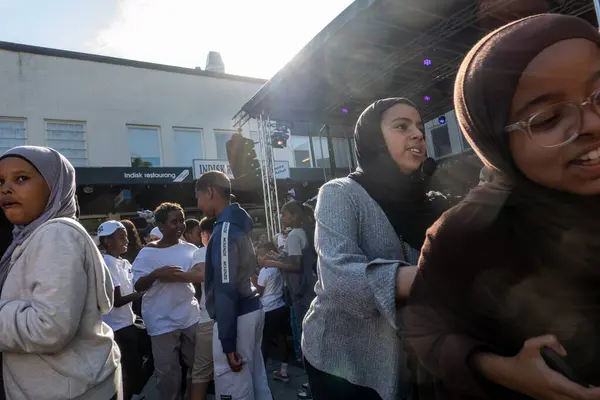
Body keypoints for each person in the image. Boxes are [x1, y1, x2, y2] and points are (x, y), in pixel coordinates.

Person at [403, 14, 600, 400]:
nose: (592, 123)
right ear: (495, 141)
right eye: (549, 118)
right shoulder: (466, 234)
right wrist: (501, 370)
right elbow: (422, 336)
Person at [302, 98, 449, 400]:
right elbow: (340, 280)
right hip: (342, 362)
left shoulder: (432, 204)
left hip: (406, 362)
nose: (418, 134)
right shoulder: (340, 193)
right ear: (373, 138)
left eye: (420, 127)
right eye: (401, 126)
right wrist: (424, 276)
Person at [0, 146, 120, 399]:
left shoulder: (56, 234)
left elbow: (48, 327)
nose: (6, 189)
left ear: (55, 186)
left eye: (21, 178)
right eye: (1, 181)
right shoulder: (31, 236)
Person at [195, 170, 272, 400]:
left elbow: (226, 289)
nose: (198, 204)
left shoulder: (225, 230)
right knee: (256, 380)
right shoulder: (232, 225)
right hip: (246, 311)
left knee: (234, 387)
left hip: (237, 316)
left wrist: (228, 343)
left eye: (197, 197)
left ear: (209, 192)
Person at [133, 202, 200, 400]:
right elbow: (138, 286)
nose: (180, 226)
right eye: (174, 222)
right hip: (161, 322)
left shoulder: (190, 249)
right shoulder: (147, 253)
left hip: (190, 316)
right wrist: (156, 274)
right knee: (168, 374)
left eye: (182, 221)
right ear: (161, 226)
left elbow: (199, 278)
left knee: (198, 367)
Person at [261, 200, 316, 362]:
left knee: (303, 327)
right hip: (307, 285)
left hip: (300, 288)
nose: (281, 217)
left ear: (294, 216)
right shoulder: (303, 232)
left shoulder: (293, 235)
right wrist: (278, 257)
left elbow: (295, 265)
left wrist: (272, 263)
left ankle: (308, 367)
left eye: (284, 214)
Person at [98, 220, 145, 399]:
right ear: (107, 241)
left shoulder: (123, 262)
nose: (126, 240)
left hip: (130, 321)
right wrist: (143, 292)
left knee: (137, 365)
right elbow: (116, 301)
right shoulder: (107, 264)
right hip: (118, 328)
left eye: (125, 235)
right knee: (129, 370)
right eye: (121, 236)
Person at [253, 242, 291, 382]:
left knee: (264, 342)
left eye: (261, 255)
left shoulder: (264, 271)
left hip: (268, 310)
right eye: (258, 255)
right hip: (280, 307)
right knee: (282, 339)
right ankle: (284, 371)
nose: (259, 258)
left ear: (269, 255)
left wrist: (252, 278)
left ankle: (259, 375)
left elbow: (260, 292)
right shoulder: (278, 269)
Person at [189, 217, 217, 400]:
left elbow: (201, 275)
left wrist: (172, 275)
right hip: (238, 316)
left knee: (200, 374)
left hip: (209, 319)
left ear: (205, 234)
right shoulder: (236, 249)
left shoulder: (202, 252)